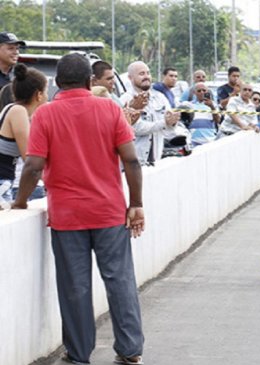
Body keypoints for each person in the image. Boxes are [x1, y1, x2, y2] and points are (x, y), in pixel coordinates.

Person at [11, 53, 146, 365]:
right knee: (120, 281)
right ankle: (129, 351)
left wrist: (20, 201)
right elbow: (131, 160)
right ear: (89, 81)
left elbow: (32, 166)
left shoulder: (45, 114)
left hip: (67, 216)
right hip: (110, 213)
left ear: (57, 83)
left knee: (75, 287)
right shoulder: (110, 109)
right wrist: (136, 204)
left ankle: (78, 354)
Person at [0, 63, 47, 208]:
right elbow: (30, 158)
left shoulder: (13, 109)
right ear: (39, 95)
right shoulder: (18, 112)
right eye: (45, 91)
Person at [120, 61, 179, 165]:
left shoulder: (160, 98)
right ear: (130, 78)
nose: (146, 77)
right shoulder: (125, 100)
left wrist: (172, 123)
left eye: (148, 73)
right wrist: (164, 123)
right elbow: (136, 129)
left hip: (155, 160)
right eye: (141, 74)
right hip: (133, 163)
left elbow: (169, 132)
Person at [187, 82, 221, 146]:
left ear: (207, 91)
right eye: (199, 91)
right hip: (193, 140)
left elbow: (218, 120)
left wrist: (211, 106)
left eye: (204, 90)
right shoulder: (189, 105)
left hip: (210, 140)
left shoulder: (214, 104)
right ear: (194, 92)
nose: (202, 92)